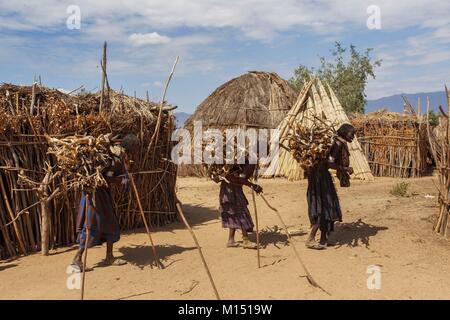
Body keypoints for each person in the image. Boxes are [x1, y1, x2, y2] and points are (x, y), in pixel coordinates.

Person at [70, 134, 140, 271]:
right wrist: (122, 181)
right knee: (90, 225)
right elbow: (105, 179)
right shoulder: (114, 158)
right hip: (96, 195)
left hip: (100, 194)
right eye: (136, 147)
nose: (137, 150)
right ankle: (77, 259)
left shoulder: (119, 156)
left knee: (110, 223)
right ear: (131, 146)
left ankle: (109, 256)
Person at [305, 123, 355, 250]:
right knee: (323, 205)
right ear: (344, 132)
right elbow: (329, 163)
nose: (353, 137)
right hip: (319, 178)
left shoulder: (338, 141)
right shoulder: (338, 144)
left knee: (328, 206)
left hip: (321, 177)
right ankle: (310, 239)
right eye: (351, 134)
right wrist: (345, 169)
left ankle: (323, 240)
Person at [219, 162, 263, 249]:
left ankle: (231, 240)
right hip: (231, 190)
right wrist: (254, 186)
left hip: (226, 190)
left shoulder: (240, 159)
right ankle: (245, 240)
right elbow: (241, 179)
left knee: (233, 213)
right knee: (241, 212)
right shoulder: (249, 160)